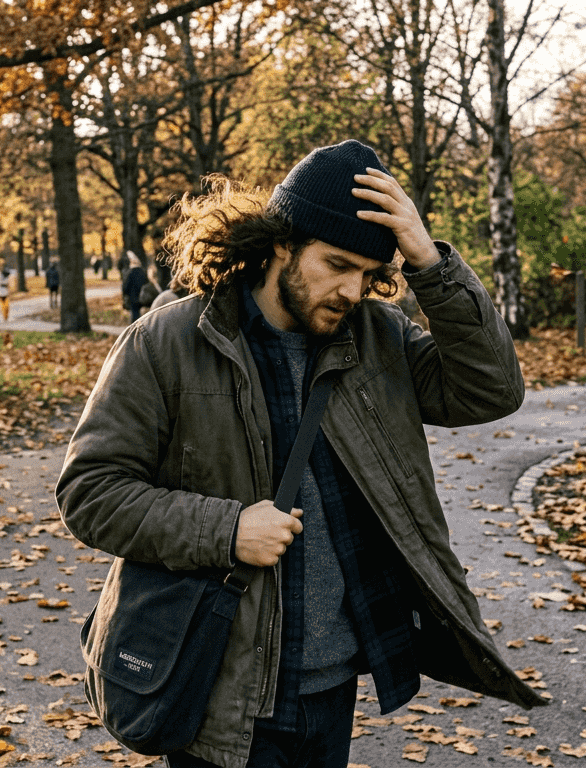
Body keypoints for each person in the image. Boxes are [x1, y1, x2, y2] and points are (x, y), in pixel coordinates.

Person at [57, 141, 545, 768]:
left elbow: (491, 389)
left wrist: (429, 260)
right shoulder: (167, 343)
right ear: (280, 243)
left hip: (331, 687)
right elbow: (89, 493)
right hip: (217, 685)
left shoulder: (380, 338)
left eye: (369, 275)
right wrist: (227, 529)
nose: (351, 290)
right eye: (336, 263)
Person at [121, 252, 148, 322]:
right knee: (140, 314)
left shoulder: (130, 273)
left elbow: (125, 286)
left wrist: (124, 295)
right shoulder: (143, 272)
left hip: (132, 297)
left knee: (134, 315)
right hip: (142, 297)